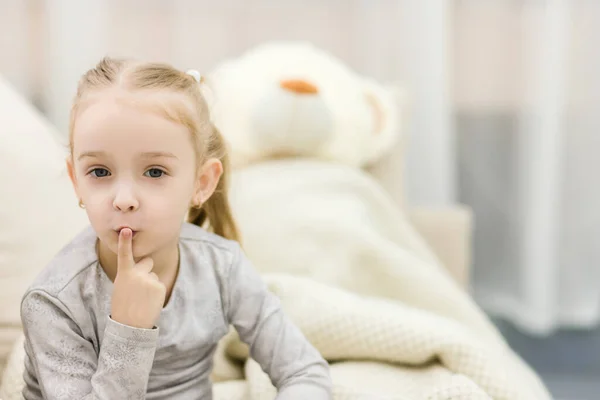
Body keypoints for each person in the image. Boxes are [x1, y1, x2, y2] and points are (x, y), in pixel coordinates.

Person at [20, 57, 332, 400]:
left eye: (154, 172)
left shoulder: (220, 267)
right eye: (99, 172)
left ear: (201, 183)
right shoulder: (53, 302)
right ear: (76, 181)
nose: (124, 200)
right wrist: (129, 329)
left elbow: (304, 370)